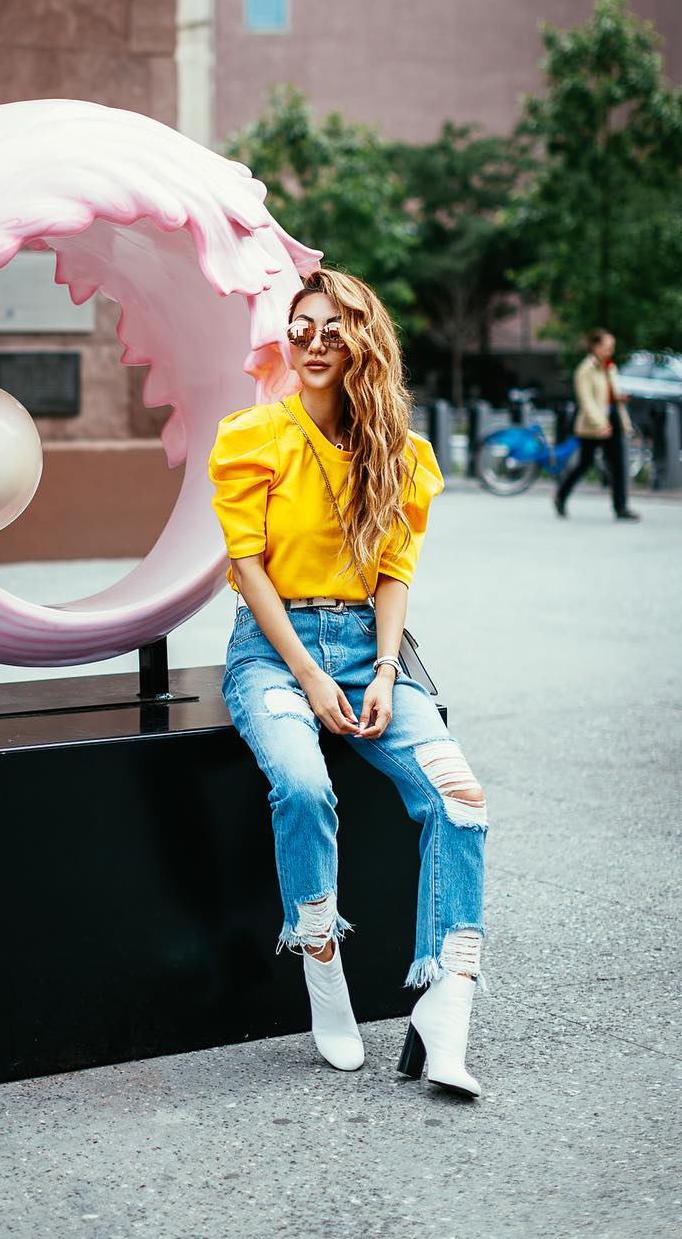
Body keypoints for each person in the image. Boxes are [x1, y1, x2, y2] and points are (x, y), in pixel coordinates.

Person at [207, 268, 487, 1097]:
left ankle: (447, 1005)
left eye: (333, 328)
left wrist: (386, 671)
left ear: (362, 339)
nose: (314, 342)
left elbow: (395, 574)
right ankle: (322, 965)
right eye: (300, 327)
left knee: (461, 797)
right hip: (272, 651)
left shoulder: (401, 455)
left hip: (371, 651)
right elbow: (248, 568)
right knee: (302, 785)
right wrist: (307, 674)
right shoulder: (252, 436)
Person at [554, 329, 639, 521]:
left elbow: (609, 396)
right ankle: (561, 496)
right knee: (584, 464)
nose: (610, 351)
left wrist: (619, 399)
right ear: (595, 346)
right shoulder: (585, 369)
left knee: (618, 465)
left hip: (612, 420)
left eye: (612, 347)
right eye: (607, 346)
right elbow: (586, 401)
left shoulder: (610, 367)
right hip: (592, 425)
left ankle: (621, 507)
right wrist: (600, 423)